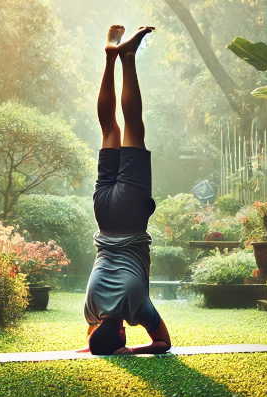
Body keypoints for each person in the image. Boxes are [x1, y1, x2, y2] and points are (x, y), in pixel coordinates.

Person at [80, 24, 172, 356]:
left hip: (131, 216)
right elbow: (94, 336)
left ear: (123, 336)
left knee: (133, 127)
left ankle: (128, 56)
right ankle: (109, 57)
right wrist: (96, 345)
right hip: (103, 214)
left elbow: (163, 343)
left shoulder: (137, 308)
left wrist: (131, 351)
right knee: (109, 129)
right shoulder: (90, 307)